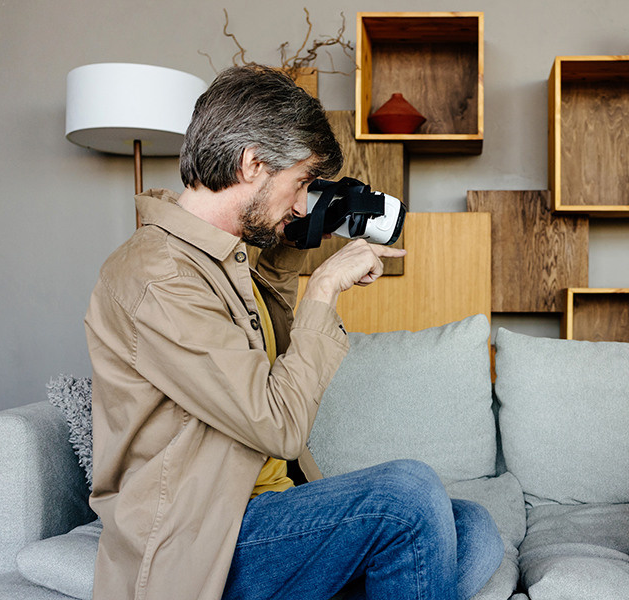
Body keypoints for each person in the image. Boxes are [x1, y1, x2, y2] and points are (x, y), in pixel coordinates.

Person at [84, 65, 502, 600]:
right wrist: (324, 285)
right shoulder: (157, 276)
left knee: (469, 524)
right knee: (409, 495)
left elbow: (266, 342)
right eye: (301, 182)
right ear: (253, 163)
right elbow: (279, 424)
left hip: (264, 514)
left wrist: (293, 241)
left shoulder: (215, 260)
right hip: (209, 536)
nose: (303, 203)